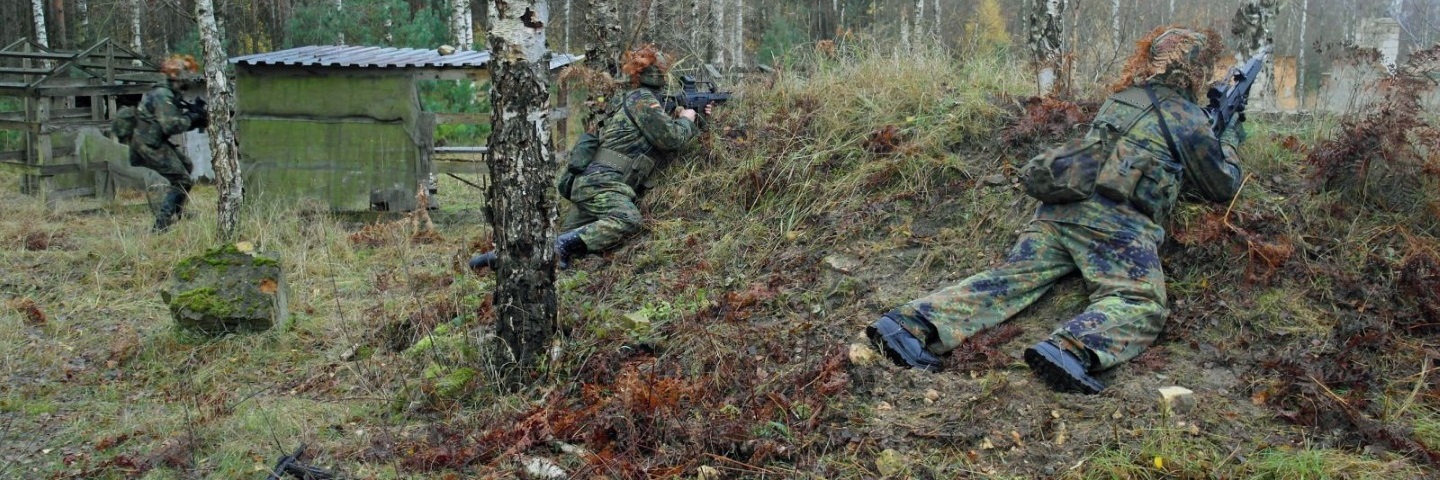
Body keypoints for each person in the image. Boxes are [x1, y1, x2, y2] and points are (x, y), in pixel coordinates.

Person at [865, 27, 1245, 394]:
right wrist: (1228, 138)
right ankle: (1071, 349)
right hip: (1114, 227)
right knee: (1141, 302)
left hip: (1058, 211)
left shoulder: (1123, 99)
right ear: (1195, 70)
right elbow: (1222, 185)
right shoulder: (1188, 118)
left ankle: (908, 325)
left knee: (1009, 278)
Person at [470, 46, 710, 270]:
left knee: (549, 248)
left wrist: (694, 116)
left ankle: (498, 259)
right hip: (603, 183)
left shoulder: (630, 99)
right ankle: (560, 247)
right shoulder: (643, 101)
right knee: (627, 219)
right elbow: (672, 138)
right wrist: (687, 119)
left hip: (589, 183)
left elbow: (655, 128)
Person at [132, 54, 208, 232]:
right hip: (148, 144)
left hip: (154, 140)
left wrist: (194, 118)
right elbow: (170, 125)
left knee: (186, 166)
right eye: (186, 75)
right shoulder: (162, 94)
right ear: (177, 77)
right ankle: (161, 224)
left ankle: (177, 213)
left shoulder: (170, 93)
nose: (189, 79)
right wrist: (193, 118)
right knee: (181, 178)